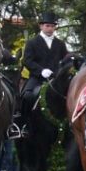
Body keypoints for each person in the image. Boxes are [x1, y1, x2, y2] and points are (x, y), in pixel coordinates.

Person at [12, 11, 69, 139]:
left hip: (56, 79)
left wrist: (59, 71)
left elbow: (65, 60)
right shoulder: (32, 42)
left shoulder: (60, 44)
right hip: (37, 78)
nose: (50, 28)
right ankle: (24, 125)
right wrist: (41, 70)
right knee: (27, 96)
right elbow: (27, 60)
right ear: (41, 26)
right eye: (47, 26)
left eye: (52, 26)